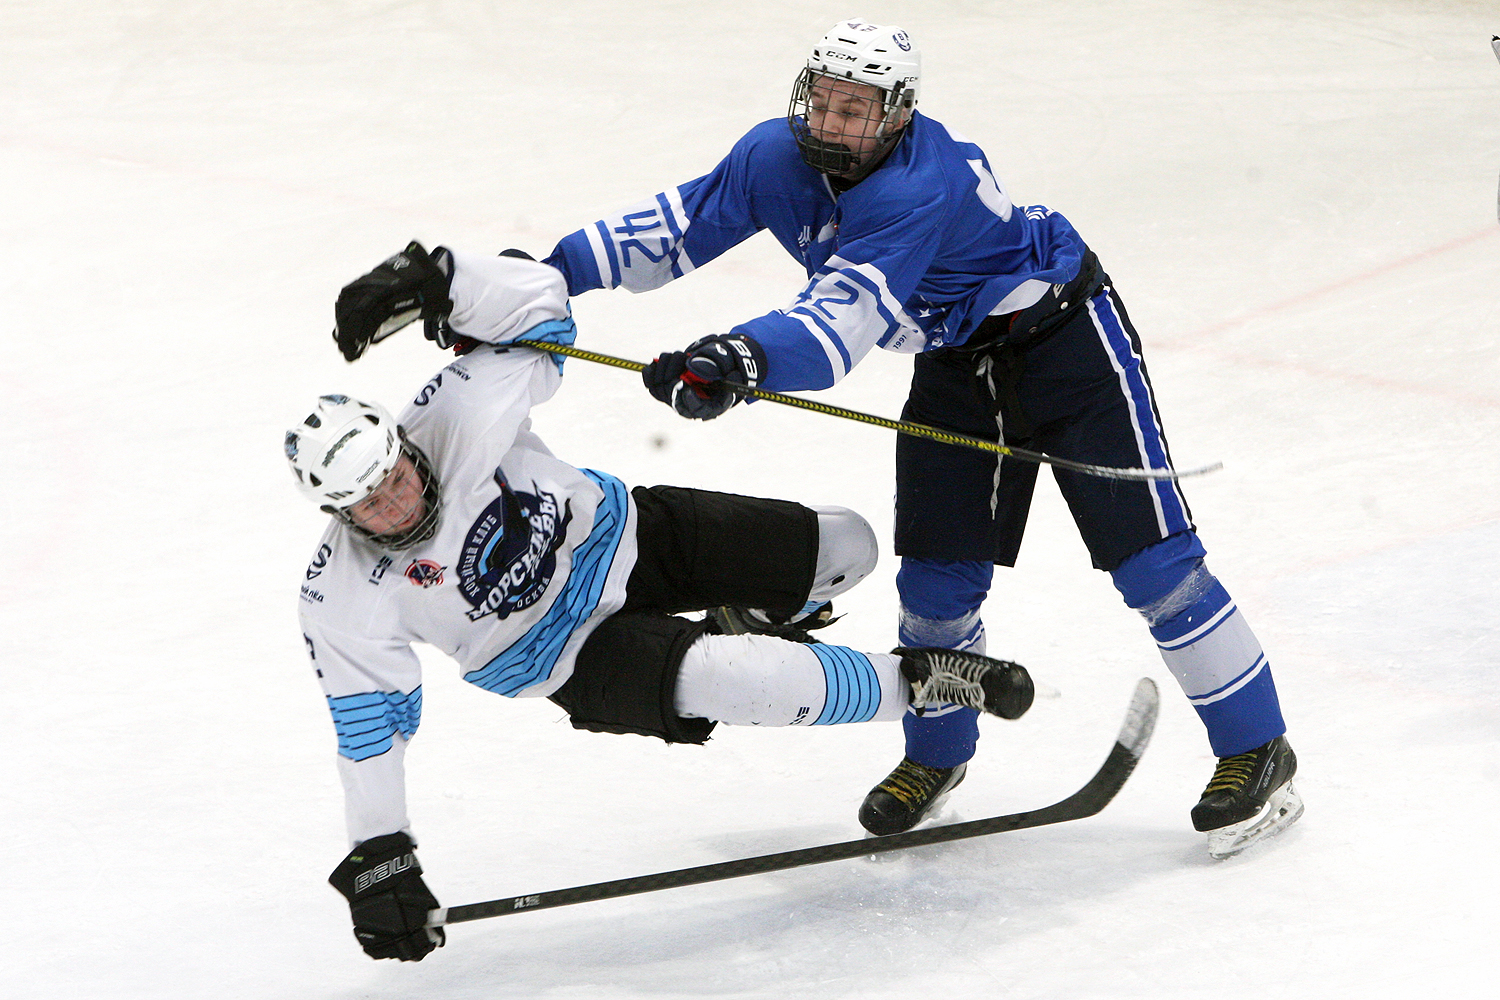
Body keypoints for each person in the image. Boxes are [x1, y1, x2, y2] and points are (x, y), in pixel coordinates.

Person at [538, 18, 1302, 859]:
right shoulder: (772, 155)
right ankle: (938, 757)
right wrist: (545, 275)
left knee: (1155, 566)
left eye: (855, 109)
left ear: (898, 114)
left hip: (1066, 346)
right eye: (822, 101)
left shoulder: (918, 186)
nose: (830, 123)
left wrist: (739, 356)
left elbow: (838, 331)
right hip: (955, 362)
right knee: (937, 585)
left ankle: (1258, 748)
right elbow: (676, 226)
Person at [290, 242, 1036, 961]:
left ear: (400, 442)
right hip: (569, 658)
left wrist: (444, 279)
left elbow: (542, 306)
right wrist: (380, 858)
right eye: (370, 506)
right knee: (732, 677)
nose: (396, 503)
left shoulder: (454, 410)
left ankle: (756, 618)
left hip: (631, 536)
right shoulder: (342, 596)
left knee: (850, 547)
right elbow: (369, 729)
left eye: (394, 476)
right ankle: (925, 682)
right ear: (339, 514)